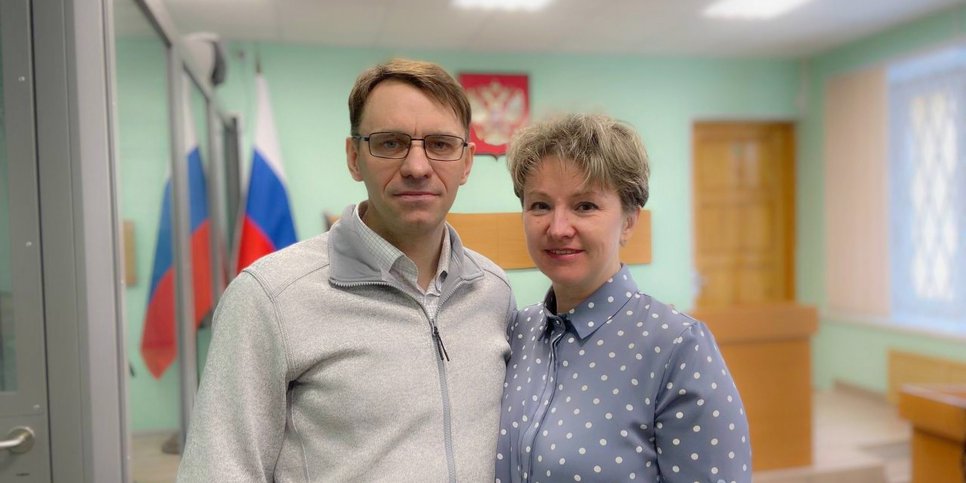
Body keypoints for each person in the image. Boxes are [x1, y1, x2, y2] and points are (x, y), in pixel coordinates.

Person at [178, 59, 515, 481]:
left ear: (467, 162)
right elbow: (218, 470)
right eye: (390, 143)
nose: (416, 166)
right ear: (354, 157)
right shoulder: (269, 297)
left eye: (441, 144)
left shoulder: (493, 292)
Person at [495, 114, 751, 483]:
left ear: (629, 221)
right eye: (540, 205)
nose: (558, 228)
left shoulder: (678, 348)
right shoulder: (517, 331)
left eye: (585, 206)